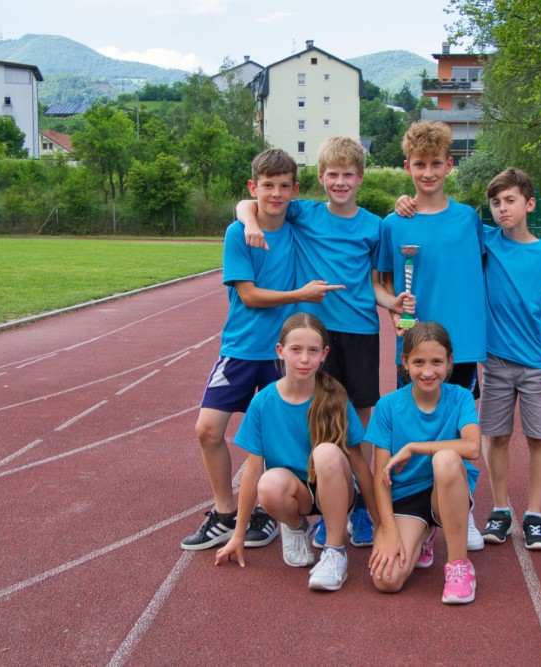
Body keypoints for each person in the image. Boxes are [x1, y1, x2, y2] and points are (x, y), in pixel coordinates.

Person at [236, 137, 408, 551]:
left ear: (361, 178)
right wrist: (250, 223)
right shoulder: (304, 212)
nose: (340, 181)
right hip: (320, 335)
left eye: (348, 174)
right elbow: (251, 203)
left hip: (363, 331)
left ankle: (363, 507)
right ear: (319, 178)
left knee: (358, 423)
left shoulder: (375, 226)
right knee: (320, 420)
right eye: (332, 174)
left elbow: (377, 283)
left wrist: (393, 305)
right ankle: (324, 503)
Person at [182, 149, 343, 552]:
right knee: (207, 430)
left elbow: (341, 202)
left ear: (295, 189)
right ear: (254, 187)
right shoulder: (239, 233)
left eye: (283, 186)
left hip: (283, 354)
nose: (276, 193)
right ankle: (224, 512)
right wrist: (300, 293)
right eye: (267, 186)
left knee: (286, 437)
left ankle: (280, 514)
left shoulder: (297, 221)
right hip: (240, 348)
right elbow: (249, 296)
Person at [378, 120, 487, 551]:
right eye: (420, 165)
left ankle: (465, 508)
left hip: (460, 347)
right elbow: (384, 284)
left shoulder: (469, 219)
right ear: (407, 166)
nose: (428, 173)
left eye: (436, 164)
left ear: (450, 165)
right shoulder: (394, 223)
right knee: (411, 428)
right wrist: (392, 311)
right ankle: (417, 517)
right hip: (415, 348)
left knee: (461, 432)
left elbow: (501, 247)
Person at [214, 313, 379, 592]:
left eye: (313, 351)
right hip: (295, 493)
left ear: (324, 354)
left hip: (335, 487)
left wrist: (382, 526)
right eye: (296, 350)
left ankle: (334, 552)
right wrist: (238, 535)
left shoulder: (335, 396)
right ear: (280, 351)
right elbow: (253, 470)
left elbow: (361, 466)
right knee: (268, 483)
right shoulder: (263, 402)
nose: (304, 359)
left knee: (326, 453)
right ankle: (296, 527)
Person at [477, 169, 541, 550]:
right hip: (496, 362)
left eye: (511, 201)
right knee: (497, 436)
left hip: (538, 363)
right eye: (496, 203)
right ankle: (500, 510)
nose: (503, 209)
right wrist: (407, 203)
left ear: (529, 204)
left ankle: (534, 515)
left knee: (538, 438)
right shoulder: (485, 242)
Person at [365, 322, 482, 604]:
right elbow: (380, 476)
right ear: (404, 362)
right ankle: (424, 532)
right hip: (406, 498)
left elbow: (473, 447)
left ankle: (459, 566)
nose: (428, 371)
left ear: (450, 362)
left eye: (436, 362)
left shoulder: (461, 397)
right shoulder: (388, 406)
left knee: (445, 459)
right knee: (386, 580)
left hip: (446, 491)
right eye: (418, 362)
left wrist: (415, 447)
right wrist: (387, 529)